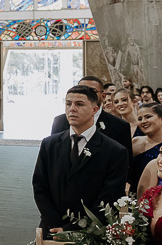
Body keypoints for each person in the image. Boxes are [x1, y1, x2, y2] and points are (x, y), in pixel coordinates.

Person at [33, 85, 128, 234]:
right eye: (68, 103)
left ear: (94, 110)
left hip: (90, 233)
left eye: (79, 104)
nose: (72, 109)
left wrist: (72, 229)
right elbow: (40, 187)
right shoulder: (49, 144)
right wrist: (55, 224)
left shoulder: (114, 151)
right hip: (51, 227)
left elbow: (110, 197)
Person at [51, 76, 133, 165]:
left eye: (92, 91)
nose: (86, 94)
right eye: (81, 89)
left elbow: (125, 162)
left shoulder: (119, 125)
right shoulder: (60, 121)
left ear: (103, 96)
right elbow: (53, 157)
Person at [129, 103, 162, 192]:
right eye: (140, 119)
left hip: (158, 194)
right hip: (133, 195)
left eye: (148, 117)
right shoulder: (135, 142)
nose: (143, 121)